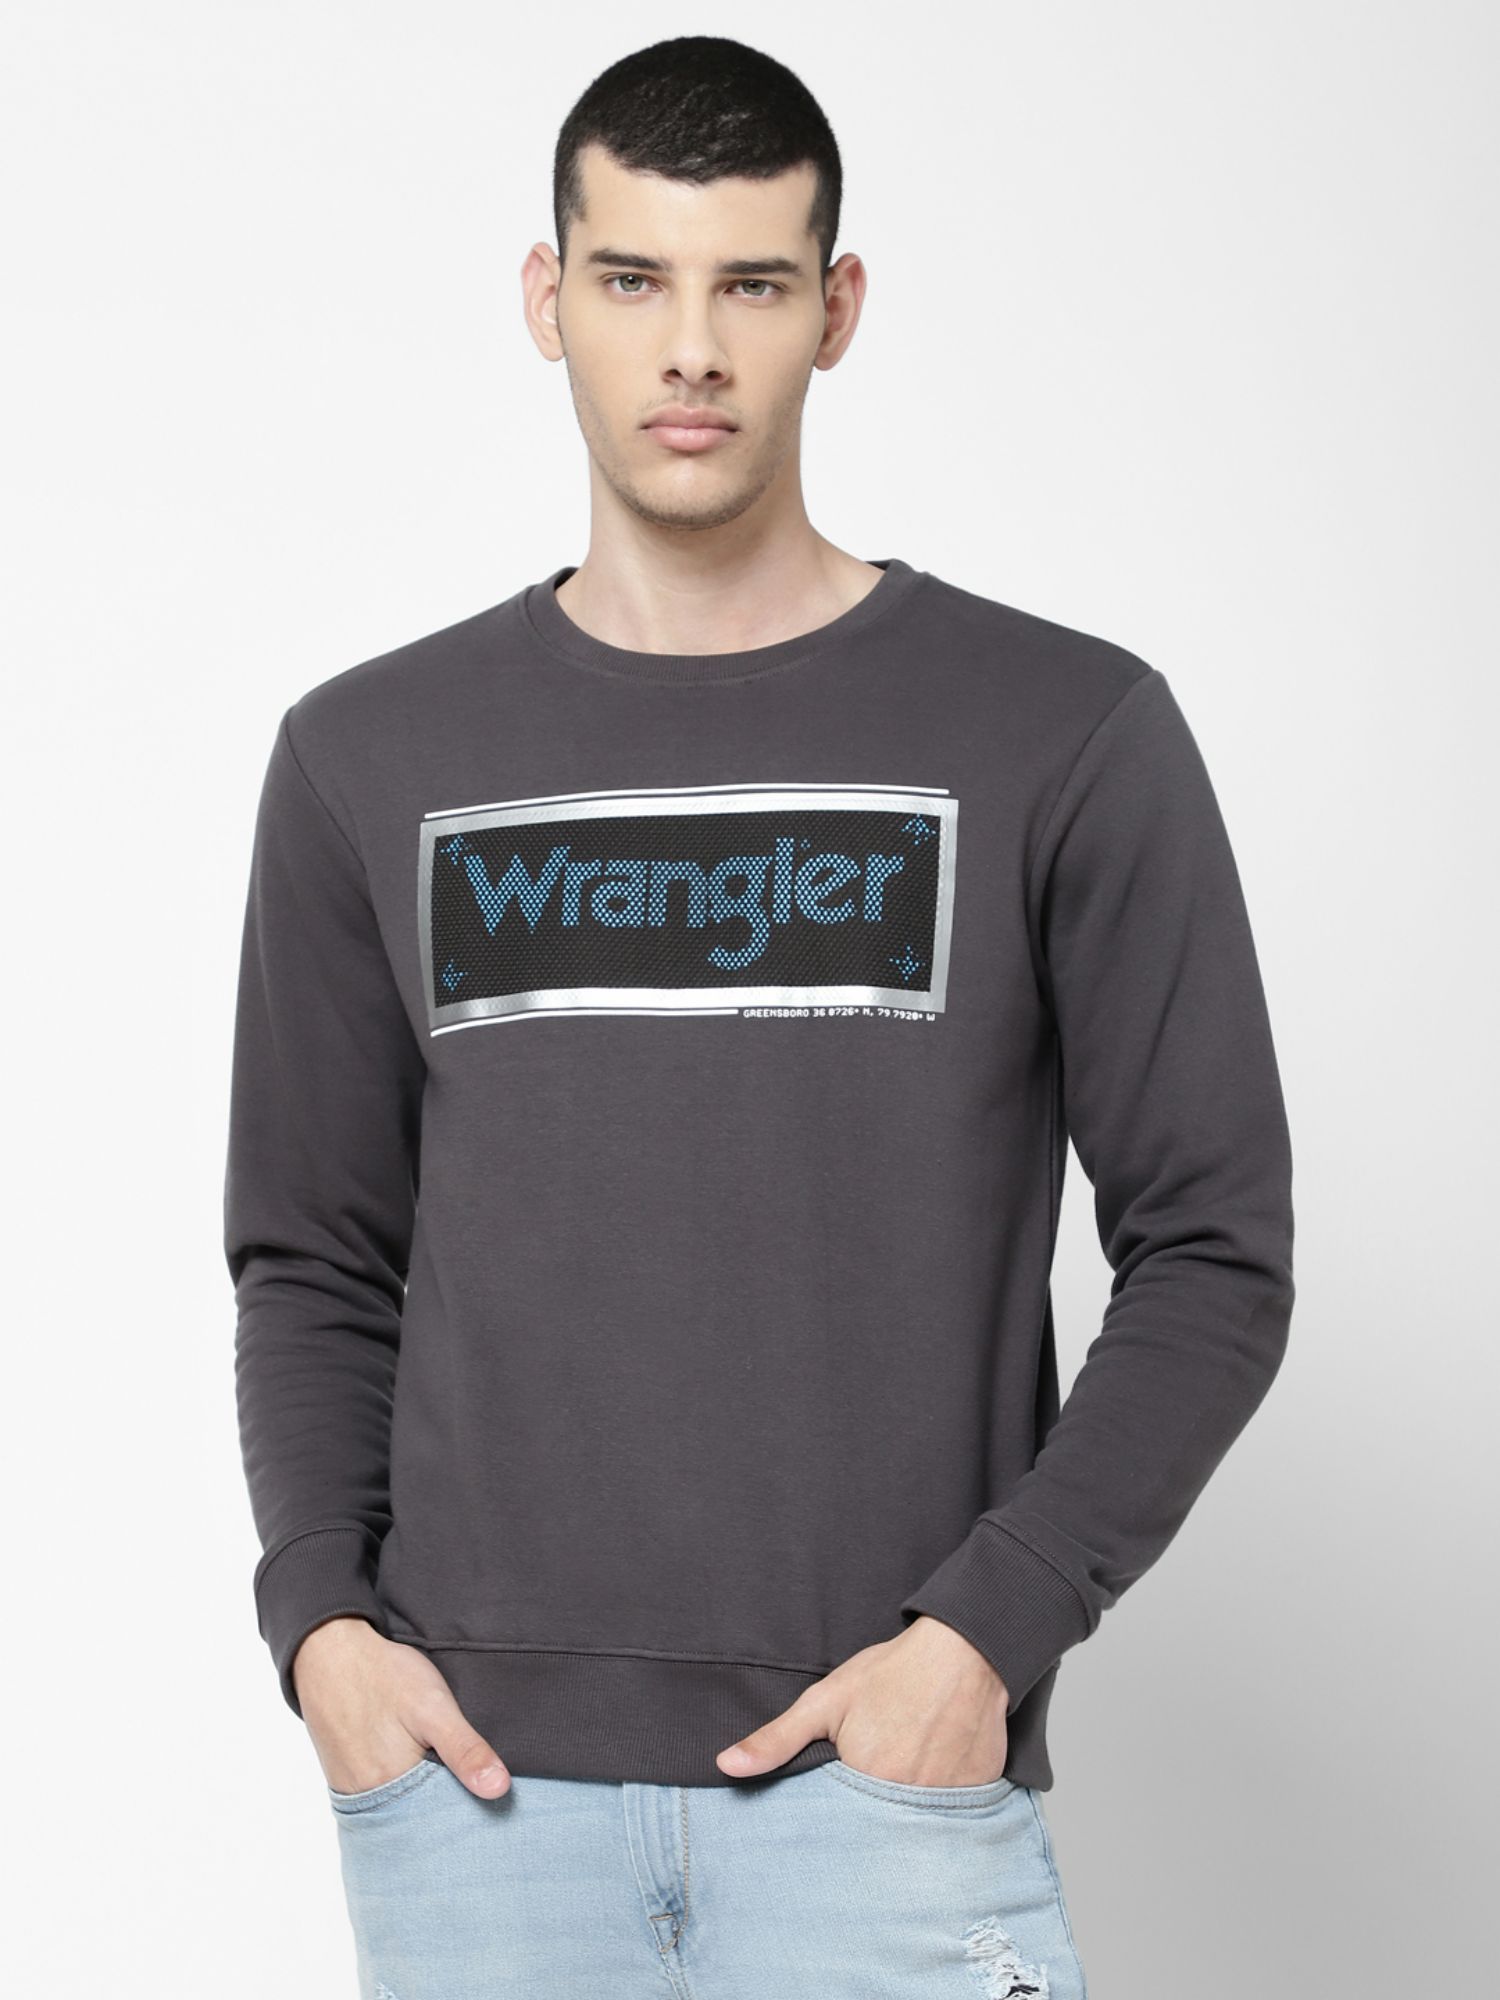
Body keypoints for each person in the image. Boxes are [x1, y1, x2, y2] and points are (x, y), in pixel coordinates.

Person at [224, 33, 1295, 2000]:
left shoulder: (1058, 732)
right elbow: (312, 1256)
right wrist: (325, 1636)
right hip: (478, 1820)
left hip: (890, 1805)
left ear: (837, 308)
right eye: (633, 278)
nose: (693, 349)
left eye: (754, 285)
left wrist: (983, 1638)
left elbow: (1216, 1249)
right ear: (547, 298)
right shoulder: (371, 758)